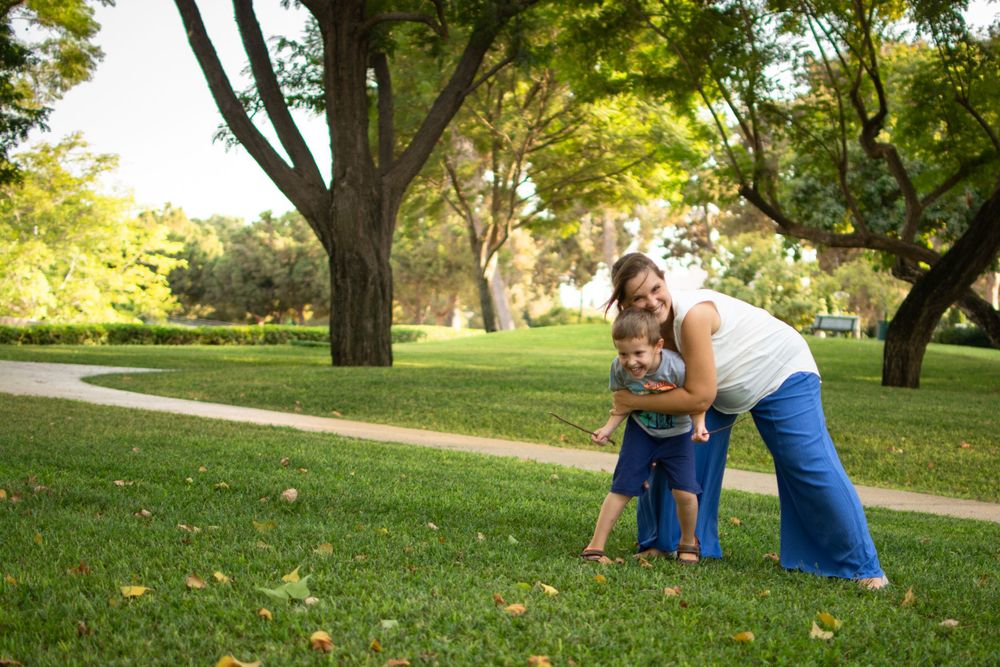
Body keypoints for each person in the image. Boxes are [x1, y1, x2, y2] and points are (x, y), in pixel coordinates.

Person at [605, 253, 888, 589]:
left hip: (780, 371)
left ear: (665, 282)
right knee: (671, 444)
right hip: (722, 386)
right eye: (639, 297)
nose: (652, 301)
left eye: (656, 288)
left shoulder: (692, 316)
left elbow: (698, 397)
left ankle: (863, 567)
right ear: (625, 306)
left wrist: (631, 401)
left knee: (807, 465)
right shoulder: (648, 335)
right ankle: (673, 545)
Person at [580, 307, 708, 565]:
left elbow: (697, 400)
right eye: (623, 353)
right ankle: (595, 546)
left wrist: (699, 426)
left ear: (658, 345)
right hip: (641, 432)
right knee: (622, 487)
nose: (630, 361)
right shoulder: (618, 369)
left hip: (678, 436)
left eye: (638, 353)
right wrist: (607, 428)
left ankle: (688, 542)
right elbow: (622, 404)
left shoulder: (676, 367)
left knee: (685, 491)